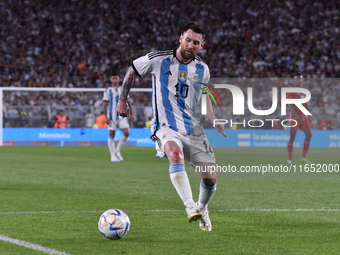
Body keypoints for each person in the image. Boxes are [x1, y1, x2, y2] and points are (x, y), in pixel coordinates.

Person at [117, 21, 226, 231]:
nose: (191, 45)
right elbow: (132, 70)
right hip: (165, 125)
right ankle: (190, 207)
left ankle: (202, 208)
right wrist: (123, 98)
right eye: (188, 40)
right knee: (175, 155)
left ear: (201, 45)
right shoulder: (158, 59)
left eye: (196, 42)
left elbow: (203, 97)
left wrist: (214, 119)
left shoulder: (202, 69)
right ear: (180, 39)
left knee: (210, 178)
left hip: (192, 128)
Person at [103, 75, 135, 162]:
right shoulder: (108, 90)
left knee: (127, 132)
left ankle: (117, 151)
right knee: (112, 134)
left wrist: (132, 114)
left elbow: (127, 101)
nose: (114, 80)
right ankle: (112, 156)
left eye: (116, 78)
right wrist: (105, 116)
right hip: (111, 116)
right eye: (113, 78)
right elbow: (105, 105)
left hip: (122, 115)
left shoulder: (123, 89)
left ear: (119, 79)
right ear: (110, 79)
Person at [287, 74, 312, 164]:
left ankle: (303, 157)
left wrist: (308, 114)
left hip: (302, 115)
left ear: (302, 80)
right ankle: (289, 159)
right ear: (294, 80)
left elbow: (307, 103)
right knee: (292, 137)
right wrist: (296, 115)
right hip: (294, 115)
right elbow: (289, 103)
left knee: (309, 135)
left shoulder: (304, 90)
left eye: (300, 79)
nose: (298, 81)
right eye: (296, 79)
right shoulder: (291, 90)